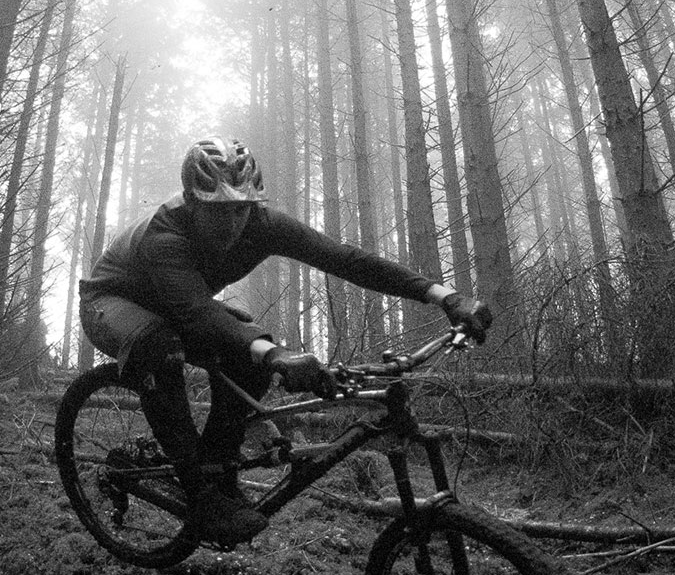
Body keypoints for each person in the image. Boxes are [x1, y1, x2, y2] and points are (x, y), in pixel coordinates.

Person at [79, 136, 493, 547]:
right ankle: (199, 493)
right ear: (191, 200)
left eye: (241, 208)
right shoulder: (165, 234)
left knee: (249, 360)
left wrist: (444, 296)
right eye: (218, 211)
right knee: (160, 347)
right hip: (112, 302)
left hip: (179, 303)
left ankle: (217, 471)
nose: (232, 223)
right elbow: (198, 312)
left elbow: (344, 259)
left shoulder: (262, 225)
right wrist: (276, 354)